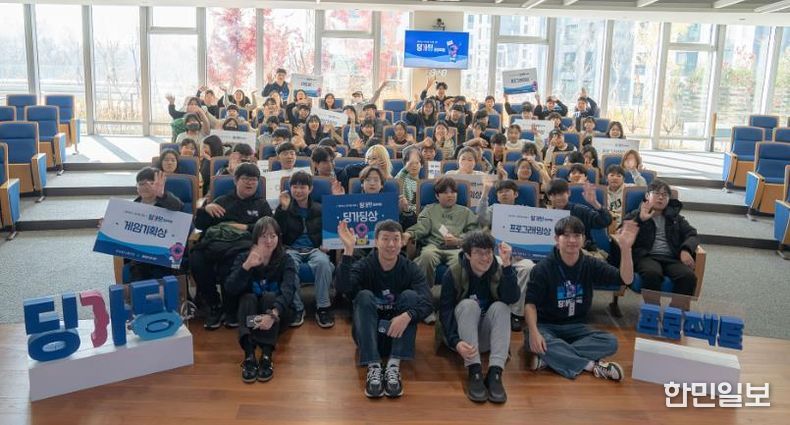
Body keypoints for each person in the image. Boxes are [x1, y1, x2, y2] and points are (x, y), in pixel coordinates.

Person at [525, 216, 637, 381]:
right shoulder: (543, 268)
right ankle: (593, 366)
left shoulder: (590, 264)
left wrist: (626, 249)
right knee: (532, 338)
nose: (572, 240)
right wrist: (534, 333)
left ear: (583, 239)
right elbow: (530, 305)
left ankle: (551, 357)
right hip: (547, 326)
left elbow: (626, 279)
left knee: (611, 342)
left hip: (576, 327)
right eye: (566, 235)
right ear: (556, 239)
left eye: (577, 235)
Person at [336, 219, 433, 398]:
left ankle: (393, 366)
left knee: (411, 297)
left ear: (402, 242)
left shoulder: (410, 268)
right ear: (376, 241)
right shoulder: (365, 265)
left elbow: (428, 301)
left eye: (395, 239)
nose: (391, 244)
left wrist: (408, 315)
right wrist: (348, 250)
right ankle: (373, 365)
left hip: (397, 335)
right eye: (385, 239)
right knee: (364, 296)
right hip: (368, 336)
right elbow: (343, 288)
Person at [437, 231, 517, 403]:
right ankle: (474, 371)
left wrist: (507, 266)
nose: (485, 258)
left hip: (486, 337)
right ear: (467, 254)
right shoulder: (453, 273)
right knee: (468, 305)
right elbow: (445, 311)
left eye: (488, 252)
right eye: (479, 253)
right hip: (462, 339)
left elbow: (512, 298)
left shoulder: (499, 269)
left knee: (502, 307)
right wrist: (455, 341)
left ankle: (495, 373)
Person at [192, 163, 273, 330]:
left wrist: (246, 227)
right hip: (216, 244)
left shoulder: (261, 204)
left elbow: (268, 228)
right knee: (196, 259)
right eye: (246, 179)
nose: (250, 183)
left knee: (231, 261)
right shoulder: (222, 201)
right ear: (236, 181)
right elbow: (201, 225)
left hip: (243, 246)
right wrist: (206, 209)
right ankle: (214, 304)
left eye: (254, 180)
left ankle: (230, 309)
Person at [226, 217, 298, 383]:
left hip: (276, 317)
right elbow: (230, 289)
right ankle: (249, 355)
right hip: (251, 317)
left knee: (270, 297)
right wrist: (246, 267)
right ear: (255, 238)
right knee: (247, 298)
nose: (269, 241)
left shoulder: (286, 260)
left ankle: (266, 355)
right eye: (264, 236)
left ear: (278, 237)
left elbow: (288, 291)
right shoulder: (244, 258)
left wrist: (272, 315)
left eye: (273, 236)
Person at [622, 179, 699, 308]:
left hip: (671, 258)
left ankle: (675, 312)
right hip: (646, 256)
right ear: (647, 196)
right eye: (657, 193)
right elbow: (622, 231)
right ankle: (653, 310)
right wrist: (640, 219)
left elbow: (692, 234)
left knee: (688, 276)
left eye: (665, 195)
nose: (661, 197)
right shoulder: (637, 214)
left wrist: (685, 250)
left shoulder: (675, 218)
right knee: (652, 274)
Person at [274, 171, 335, 328]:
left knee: (324, 263)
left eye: (302, 187)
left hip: (315, 249)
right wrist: (283, 210)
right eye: (295, 187)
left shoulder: (320, 209)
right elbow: (277, 232)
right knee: (289, 264)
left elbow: (330, 232)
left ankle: (323, 307)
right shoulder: (284, 208)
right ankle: (297, 307)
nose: (298, 191)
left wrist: (326, 245)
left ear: (310, 189)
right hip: (291, 249)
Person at [403, 176, 479, 291]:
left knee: (460, 261)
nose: (450, 195)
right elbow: (422, 227)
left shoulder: (466, 212)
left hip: (457, 248)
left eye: (453, 192)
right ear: (437, 196)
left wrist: (458, 241)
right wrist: (409, 234)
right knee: (426, 256)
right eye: (445, 192)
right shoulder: (429, 210)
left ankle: (456, 295)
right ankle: (423, 293)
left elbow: (474, 234)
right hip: (434, 246)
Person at [124, 168, 185, 282]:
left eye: (151, 183)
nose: (146, 187)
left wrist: (162, 194)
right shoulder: (131, 208)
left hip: (166, 252)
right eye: (142, 184)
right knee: (138, 272)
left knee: (171, 276)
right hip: (141, 254)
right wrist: (108, 226)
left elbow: (178, 207)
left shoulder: (166, 200)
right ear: (136, 187)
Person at [546, 179, 612, 259]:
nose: (558, 198)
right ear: (549, 197)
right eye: (554, 195)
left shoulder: (579, 210)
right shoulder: (545, 216)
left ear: (569, 193)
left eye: (561, 194)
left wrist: (594, 203)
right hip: (554, 254)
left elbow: (606, 221)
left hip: (582, 253)